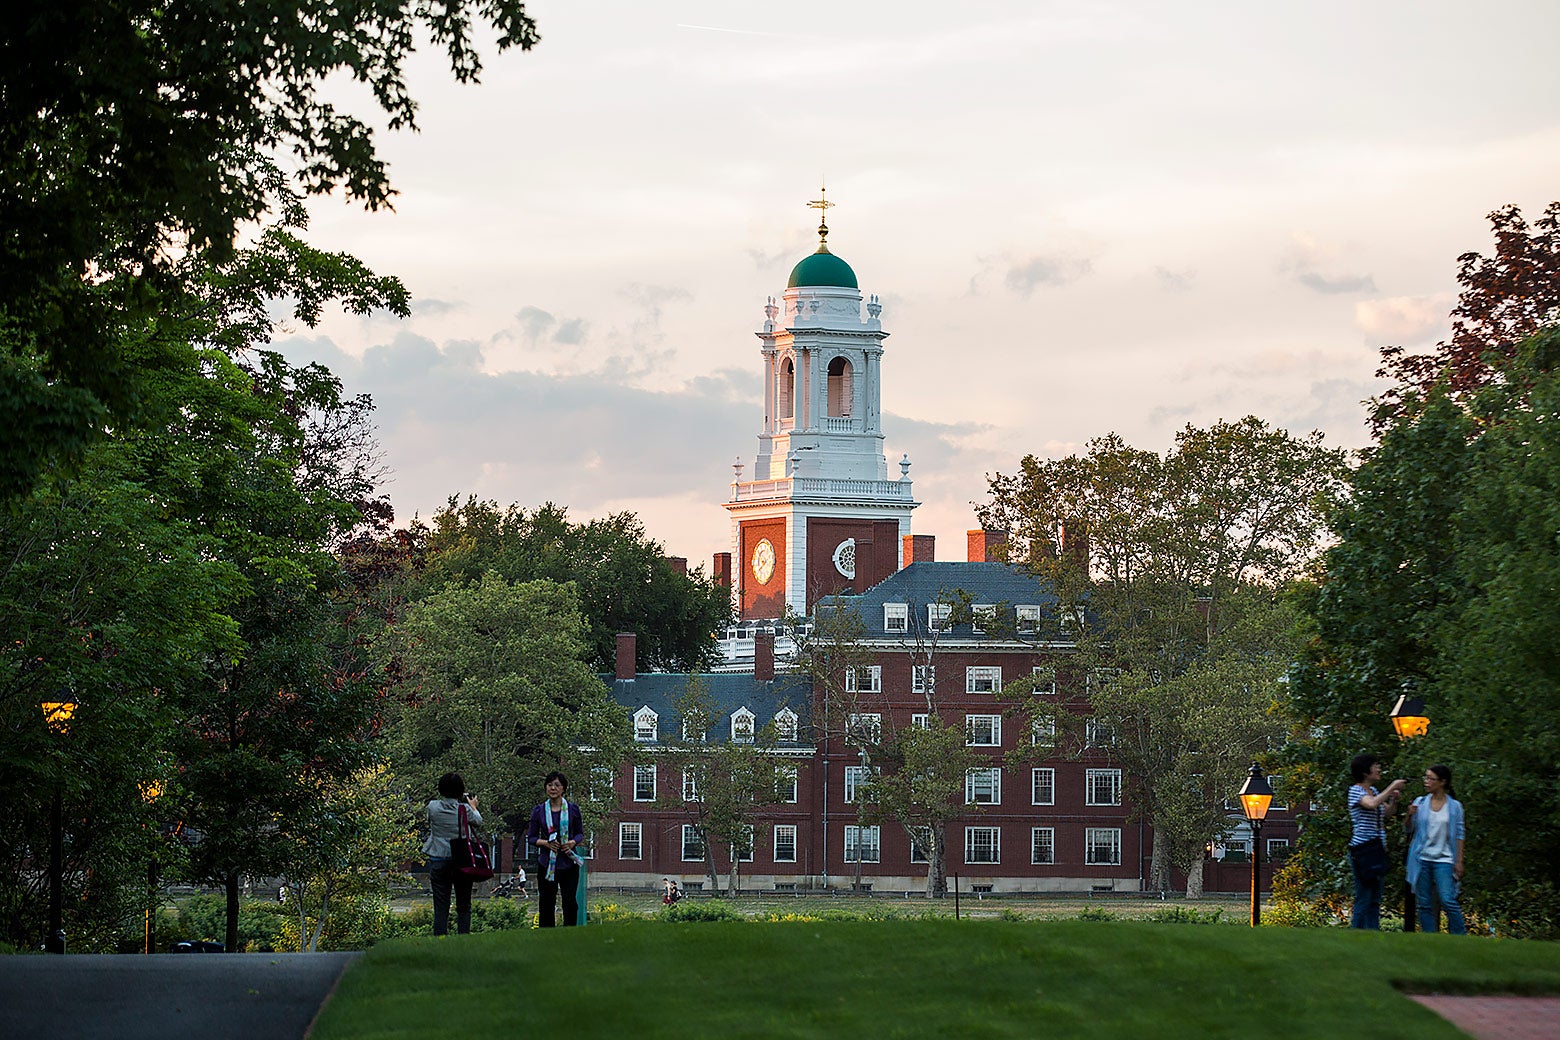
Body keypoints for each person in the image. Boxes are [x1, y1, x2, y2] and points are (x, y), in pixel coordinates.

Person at [1406, 764, 1467, 934]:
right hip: (1421, 858)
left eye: (1430, 779)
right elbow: (1408, 829)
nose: (1426, 782)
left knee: (1448, 899)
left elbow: (1460, 834)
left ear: (1442, 782)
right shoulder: (1420, 803)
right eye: (1425, 778)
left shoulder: (1454, 807)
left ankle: (1460, 935)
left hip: (1444, 859)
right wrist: (1409, 815)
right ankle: (1430, 936)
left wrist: (1459, 861)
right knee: (1424, 903)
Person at [1347, 753, 1406, 929]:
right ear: (1365, 771)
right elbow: (1371, 804)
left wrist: (1393, 800)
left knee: (1375, 898)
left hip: (1377, 850)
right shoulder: (1356, 791)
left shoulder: (1373, 791)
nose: (1379, 769)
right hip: (1363, 850)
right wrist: (1392, 786)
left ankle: (1372, 934)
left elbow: (1386, 813)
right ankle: (1356, 933)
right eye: (1375, 766)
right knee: (1364, 896)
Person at [424, 772, 481, 936]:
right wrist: (473, 806)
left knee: (441, 906)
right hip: (461, 861)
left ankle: (440, 940)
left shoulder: (432, 807)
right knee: (464, 905)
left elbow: (429, 820)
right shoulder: (464, 809)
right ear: (460, 790)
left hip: (438, 859)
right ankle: (463, 940)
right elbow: (478, 821)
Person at [527, 771, 585, 927]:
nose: (553, 788)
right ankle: (547, 936)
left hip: (569, 863)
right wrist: (546, 843)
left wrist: (572, 842)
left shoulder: (573, 809)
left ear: (563, 788)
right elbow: (531, 837)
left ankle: (569, 935)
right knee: (546, 903)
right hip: (547, 864)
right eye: (550, 785)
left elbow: (580, 834)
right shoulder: (538, 811)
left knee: (570, 902)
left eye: (557, 785)